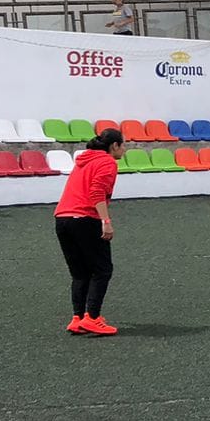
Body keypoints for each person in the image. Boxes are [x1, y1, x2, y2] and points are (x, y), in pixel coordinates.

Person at [53, 128, 125, 336]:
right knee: (102, 269)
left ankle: (78, 318)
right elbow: (96, 191)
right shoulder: (107, 162)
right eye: (123, 145)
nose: (125, 150)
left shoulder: (84, 160)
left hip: (63, 218)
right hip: (84, 218)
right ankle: (92, 318)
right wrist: (106, 221)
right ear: (114, 146)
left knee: (80, 273)